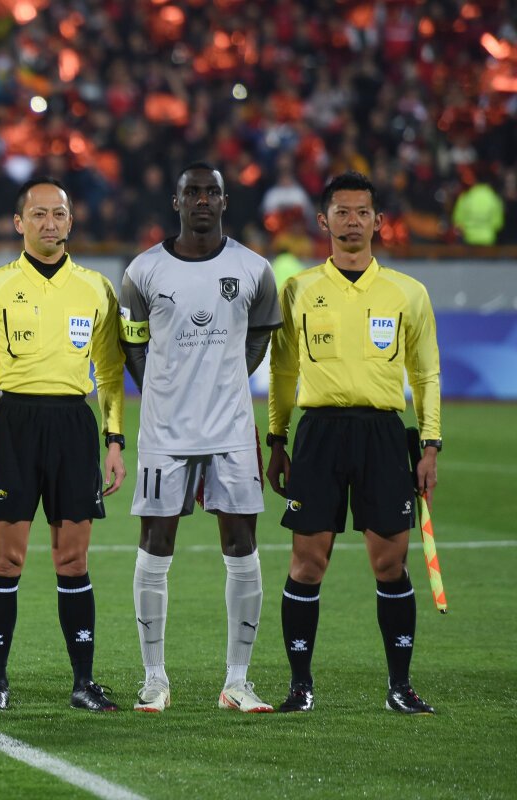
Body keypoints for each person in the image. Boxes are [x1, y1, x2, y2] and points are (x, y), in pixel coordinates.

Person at [266, 170, 441, 715]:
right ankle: (300, 686)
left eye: (362, 212)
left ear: (378, 221)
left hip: (383, 435)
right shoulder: (298, 290)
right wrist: (277, 438)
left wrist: (430, 444)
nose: (352, 221)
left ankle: (400, 687)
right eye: (341, 212)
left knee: (390, 564)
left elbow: (426, 374)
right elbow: (283, 371)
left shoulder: (407, 293)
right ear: (323, 221)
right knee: (306, 564)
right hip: (318, 435)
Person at [0, 176, 126, 712]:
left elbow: (111, 373)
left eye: (58, 214)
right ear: (19, 223)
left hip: (74, 426)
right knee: (6, 559)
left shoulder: (97, 289)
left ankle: (83, 682)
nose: (49, 223)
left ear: (71, 221)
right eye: (38, 214)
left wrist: (115, 441)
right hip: (12, 425)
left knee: (72, 559)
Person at [118, 162, 280, 714]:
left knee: (241, 544)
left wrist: (224, 382)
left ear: (225, 200)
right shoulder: (143, 270)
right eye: (193, 192)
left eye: (212, 192)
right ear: (177, 201)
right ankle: (154, 679)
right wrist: (164, 391)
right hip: (164, 433)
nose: (203, 200)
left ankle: (238, 681)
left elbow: (259, 337)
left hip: (231, 430)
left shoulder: (253, 268)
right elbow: (132, 343)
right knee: (155, 544)